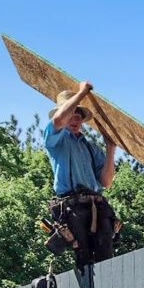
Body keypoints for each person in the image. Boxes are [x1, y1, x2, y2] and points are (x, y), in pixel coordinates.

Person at [43, 81, 118, 269]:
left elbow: (106, 182)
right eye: (71, 115)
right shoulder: (56, 140)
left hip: (97, 206)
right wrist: (82, 93)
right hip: (72, 207)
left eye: (78, 116)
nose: (75, 120)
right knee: (83, 255)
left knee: (106, 253)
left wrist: (110, 149)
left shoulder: (90, 147)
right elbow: (59, 120)